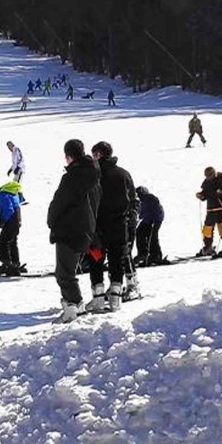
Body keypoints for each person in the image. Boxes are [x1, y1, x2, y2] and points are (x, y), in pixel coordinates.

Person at [47, 138, 100, 323]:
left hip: (69, 229)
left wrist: (51, 221)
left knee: (64, 273)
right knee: (68, 270)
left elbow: (59, 203)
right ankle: (74, 305)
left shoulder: (72, 177)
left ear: (69, 156)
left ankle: (74, 306)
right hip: (87, 228)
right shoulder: (94, 175)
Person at [87, 141, 139, 311]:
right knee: (117, 260)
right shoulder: (123, 174)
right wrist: (130, 217)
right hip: (119, 225)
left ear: (99, 154)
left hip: (97, 227)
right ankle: (116, 297)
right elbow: (133, 199)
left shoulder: (93, 176)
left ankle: (98, 298)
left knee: (96, 259)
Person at [0, 179, 25, 276]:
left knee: (3, 242)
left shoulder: (3, 195)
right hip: (17, 221)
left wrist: (3, 220)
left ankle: (7, 264)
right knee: (12, 242)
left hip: (10, 222)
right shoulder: (11, 192)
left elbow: (8, 209)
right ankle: (15, 263)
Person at [134, 186, 166, 266]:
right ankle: (143, 253)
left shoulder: (150, 198)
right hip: (148, 220)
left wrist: (155, 219)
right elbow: (142, 212)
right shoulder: (141, 200)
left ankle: (155, 255)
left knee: (152, 236)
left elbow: (157, 210)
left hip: (155, 220)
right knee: (140, 232)